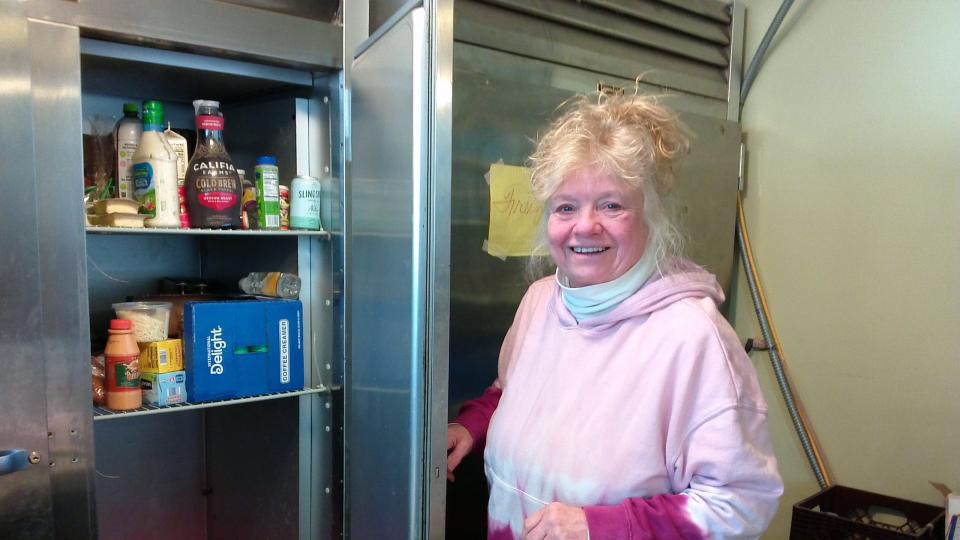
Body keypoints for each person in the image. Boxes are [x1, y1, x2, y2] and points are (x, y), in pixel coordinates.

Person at [446, 92, 783, 540]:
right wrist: (473, 425)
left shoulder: (692, 338)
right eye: (566, 207)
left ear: (651, 217)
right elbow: (513, 392)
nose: (585, 226)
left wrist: (598, 527)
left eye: (611, 205)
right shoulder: (541, 301)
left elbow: (740, 501)